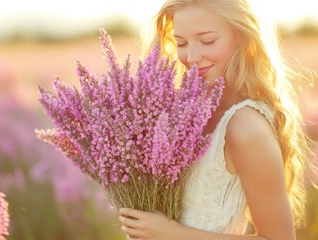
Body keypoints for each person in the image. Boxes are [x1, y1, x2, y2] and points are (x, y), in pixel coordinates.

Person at [118, 0, 314, 239]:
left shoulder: (245, 127)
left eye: (207, 41)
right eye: (181, 43)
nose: (191, 56)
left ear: (241, 37)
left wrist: (172, 233)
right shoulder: (175, 113)